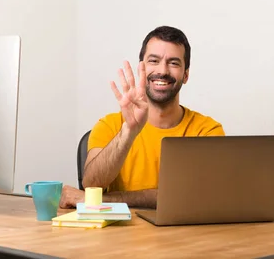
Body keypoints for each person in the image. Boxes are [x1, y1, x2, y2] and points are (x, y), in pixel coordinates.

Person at [59, 26, 225, 209]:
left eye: (174, 63)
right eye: (154, 61)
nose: (163, 70)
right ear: (141, 69)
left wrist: (104, 200)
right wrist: (128, 132)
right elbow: (91, 185)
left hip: (182, 236)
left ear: (185, 75)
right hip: (119, 235)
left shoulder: (207, 131)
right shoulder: (110, 125)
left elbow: (199, 196)